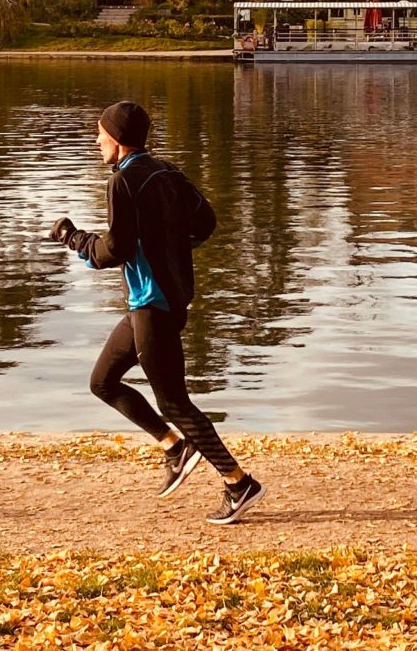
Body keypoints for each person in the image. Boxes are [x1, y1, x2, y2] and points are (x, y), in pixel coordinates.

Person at [45, 99, 264, 524]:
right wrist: (172, 251)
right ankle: (174, 446)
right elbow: (206, 224)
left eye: (100, 134)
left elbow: (116, 250)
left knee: (175, 402)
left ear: (118, 139)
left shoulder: (123, 182)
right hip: (161, 302)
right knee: (103, 381)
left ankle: (239, 483)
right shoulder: (168, 172)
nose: (96, 141)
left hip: (153, 307)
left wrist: (75, 240)